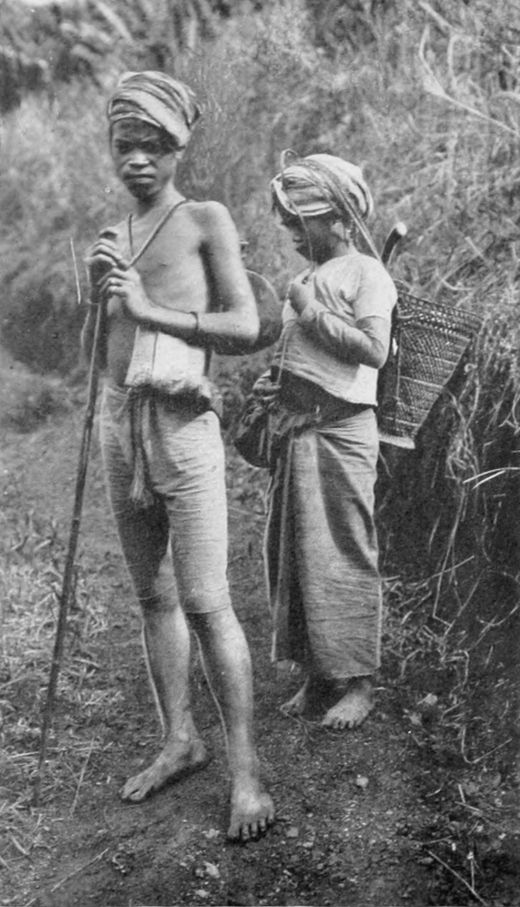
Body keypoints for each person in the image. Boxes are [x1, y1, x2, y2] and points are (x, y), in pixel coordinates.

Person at [81, 70, 274, 842]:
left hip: (184, 418)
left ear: (177, 146)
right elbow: (102, 345)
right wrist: (96, 294)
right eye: (124, 144)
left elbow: (246, 324)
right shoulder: (112, 235)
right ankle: (179, 739)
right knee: (153, 596)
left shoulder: (203, 219)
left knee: (205, 599)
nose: (137, 159)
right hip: (119, 420)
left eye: (152, 145)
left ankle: (246, 771)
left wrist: (149, 307)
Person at [257, 151, 397, 729]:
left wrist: (310, 311)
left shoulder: (367, 274)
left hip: (342, 431)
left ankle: (360, 682)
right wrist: (274, 382)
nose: (293, 234)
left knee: (344, 549)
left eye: (301, 222)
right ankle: (318, 673)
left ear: (338, 219)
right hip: (299, 430)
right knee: (296, 552)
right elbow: (303, 354)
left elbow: (374, 351)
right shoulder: (307, 279)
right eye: (288, 224)